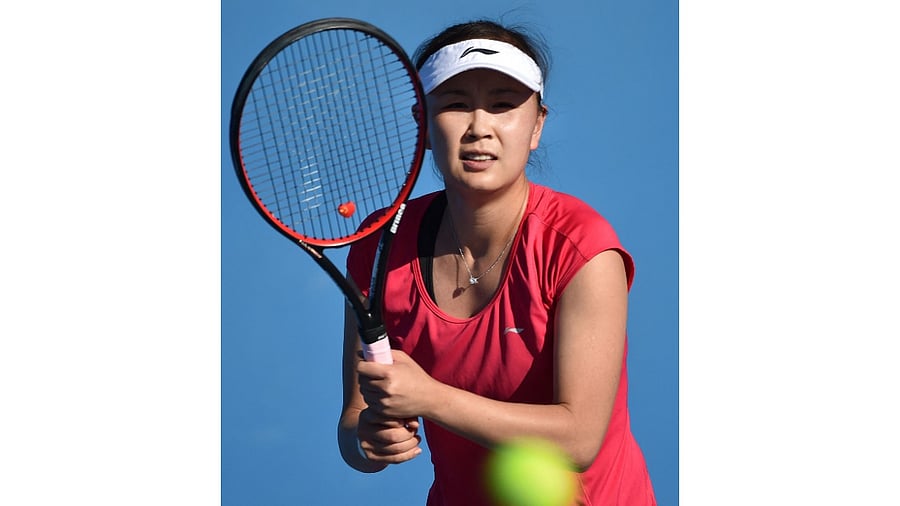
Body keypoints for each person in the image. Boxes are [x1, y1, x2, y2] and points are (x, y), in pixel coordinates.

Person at [337, 19, 657, 505]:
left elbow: (578, 439)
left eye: (503, 105)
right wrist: (369, 440)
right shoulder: (379, 248)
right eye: (456, 103)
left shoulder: (581, 247)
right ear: (424, 123)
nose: (479, 128)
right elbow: (353, 421)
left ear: (537, 125)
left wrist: (431, 398)